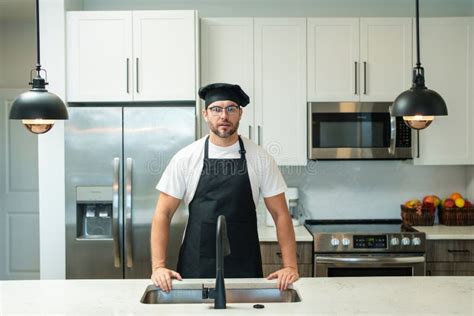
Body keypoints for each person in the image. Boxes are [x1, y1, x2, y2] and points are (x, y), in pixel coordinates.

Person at [150, 83, 298, 292]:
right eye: (216, 109)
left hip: (244, 265)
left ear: (240, 113)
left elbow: (281, 214)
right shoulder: (186, 158)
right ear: (205, 114)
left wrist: (290, 266)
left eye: (231, 109)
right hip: (197, 267)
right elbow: (162, 213)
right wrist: (158, 267)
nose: (224, 115)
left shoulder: (260, 158)